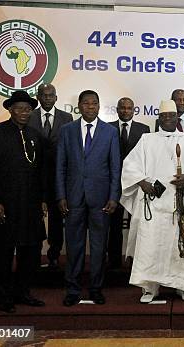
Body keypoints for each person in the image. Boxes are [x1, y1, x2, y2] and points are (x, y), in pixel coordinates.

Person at [121, 99, 184, 303]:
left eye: (172, 115)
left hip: (183, 202)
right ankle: (149, 288)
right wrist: (141, 182)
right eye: (164, 116)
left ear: (177, 118)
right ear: (159, 118)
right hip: (153, 203)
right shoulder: (147, 140)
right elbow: (130, 165)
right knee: (151, 245)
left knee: (183, 242)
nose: (169, 119)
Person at [0, 90, 47, 313]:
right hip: (5, 205)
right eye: (19, 108)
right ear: (10, 110)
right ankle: (3, 297)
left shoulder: (35, 135)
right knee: (4, 255)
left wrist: (42, 201)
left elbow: (41, 172)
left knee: (30, 253)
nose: (24, 112)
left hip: (29, 206)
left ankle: (22, 292)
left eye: (28, 109)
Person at [56, 90, 121, 306]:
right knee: (73, 247)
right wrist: (61, 195)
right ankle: (72, 290)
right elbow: (60, 167)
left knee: (98, 247)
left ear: (99, 106)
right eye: (86, 103)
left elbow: (115, 168)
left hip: (101, 199)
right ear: (79, 106)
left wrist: (114, 196)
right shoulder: (67, 130)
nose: (90, 107)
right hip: (73, 198)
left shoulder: (110, 132)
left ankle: (96, 288)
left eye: (94, 103)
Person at [28, 83, 73, 268]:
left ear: (56, 97)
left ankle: (54, 255)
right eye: (44, 95)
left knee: (56, 218)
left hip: (57, 176)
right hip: (33, 177)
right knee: (34, 218)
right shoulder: (28, 116)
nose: (47, 98)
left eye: (51, 95)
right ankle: (34, 255)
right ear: (38, 97)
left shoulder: (67, 117)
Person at [108, 97, 150, 269]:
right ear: (117, 110)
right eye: (122, 108)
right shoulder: (107, 128)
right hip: (114, 184)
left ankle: (136, 261)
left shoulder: (144, 129)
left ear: (134, 110)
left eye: (129, 108)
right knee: (114, 225)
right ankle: (114, 262)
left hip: (136, 184)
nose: (125, 111)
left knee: (137, 224)